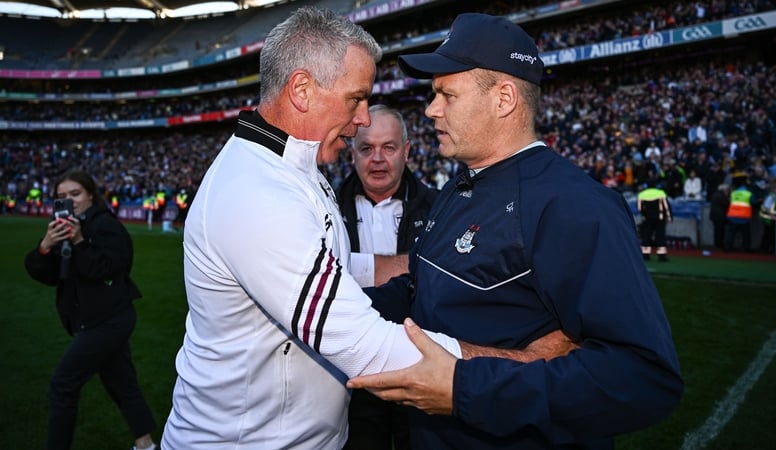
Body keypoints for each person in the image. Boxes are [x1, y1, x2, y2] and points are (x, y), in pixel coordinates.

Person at [161, 8, 574, 450]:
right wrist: (530, 365)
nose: (362, 119)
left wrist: (413, 269)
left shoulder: (295, 165)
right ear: (302, 89)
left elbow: (322, 270)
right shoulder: (256, 193)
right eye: (355, 98)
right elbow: (367, 347)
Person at [347, 13, 684, 449]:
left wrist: (466, 387)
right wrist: (331, 312)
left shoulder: (573, 206)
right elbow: (422, 289)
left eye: (447, 94)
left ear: (504, 98)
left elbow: (643, 378)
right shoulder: (458, 185)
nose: (431, 109)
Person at [23, 170, 157, 450]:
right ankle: (146, 444)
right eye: (61, 197)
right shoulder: (62, 228)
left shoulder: (106, 226)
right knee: (122, 383)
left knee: (63, 385)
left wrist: (80, 241)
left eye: (75, 194)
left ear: (91, 196)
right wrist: (46, 246)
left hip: (109, 320)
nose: (69, 201)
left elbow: (106, 269)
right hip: (90, 319)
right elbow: (47, 275)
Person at [337, 104, 437, 450]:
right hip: (352, 367)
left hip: (420, 364)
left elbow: (444, 277)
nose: (377, 158)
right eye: (366, 148)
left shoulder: (440, 207)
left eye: (388, 147)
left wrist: (354, 267)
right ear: (352, 154)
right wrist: (410, 266)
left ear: (406, 151)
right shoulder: (326, 208)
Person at [638, 180, 673, 262]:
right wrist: (669, 216)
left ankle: (645, 255)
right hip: (659, 218)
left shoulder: (642, 194)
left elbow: (640, 208)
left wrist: (644, 215)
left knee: (646, 236)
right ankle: (662, 256)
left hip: (647, 218)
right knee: (660, 236)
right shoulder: (661, 193)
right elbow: (666, 206)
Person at [725, 172, 756, 252]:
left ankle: (728, 247)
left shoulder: (733, 193)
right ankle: (746, 248)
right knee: (745, 235)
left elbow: (730, 202)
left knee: (731, 234)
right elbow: (753, 202)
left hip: (733, 216)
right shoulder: (749, 193)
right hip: (744, 217)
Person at [709, 183, 730, 250]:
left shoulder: (715, 194)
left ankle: (717, 244)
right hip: (720, 216)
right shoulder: (721, 196)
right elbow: (726, 204)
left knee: (717, 231)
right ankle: (719, 244)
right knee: (720, 231)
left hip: (714, 215)